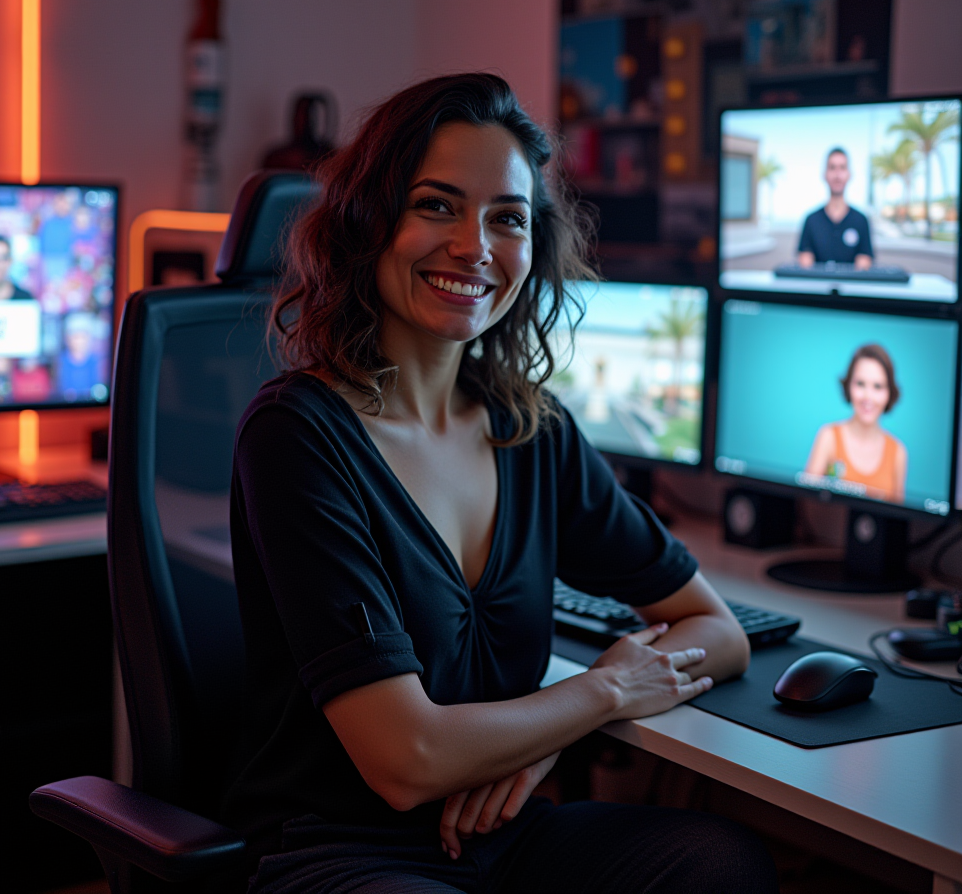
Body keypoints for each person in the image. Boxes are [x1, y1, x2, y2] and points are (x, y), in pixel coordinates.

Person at [224, 74, 778, 894]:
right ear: (369, 222)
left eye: (506, 219)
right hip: (341, 849)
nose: (475, 247)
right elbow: (407, 762)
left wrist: (552, 730)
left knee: (720, 865)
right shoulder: (299, 437)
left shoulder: (531, 427)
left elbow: (716, 629)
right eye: (437, 206)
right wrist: (602, 689)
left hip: (500, 838)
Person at [803, 344, 907, 503]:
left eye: (878, 386)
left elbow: (899, 520)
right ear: (848, 385)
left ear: (889, 393)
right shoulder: (828, 437)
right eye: (860, 384)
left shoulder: (898, 453)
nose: (868, 396)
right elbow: (805, 502)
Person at [797, 148, 874, 269]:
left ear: (849, 174)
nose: (837, 175)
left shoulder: (861, 220)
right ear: (824, 174)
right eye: (832, 168)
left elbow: (864, 262)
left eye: (842, 168)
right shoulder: (811, 220)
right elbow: (805, 262)